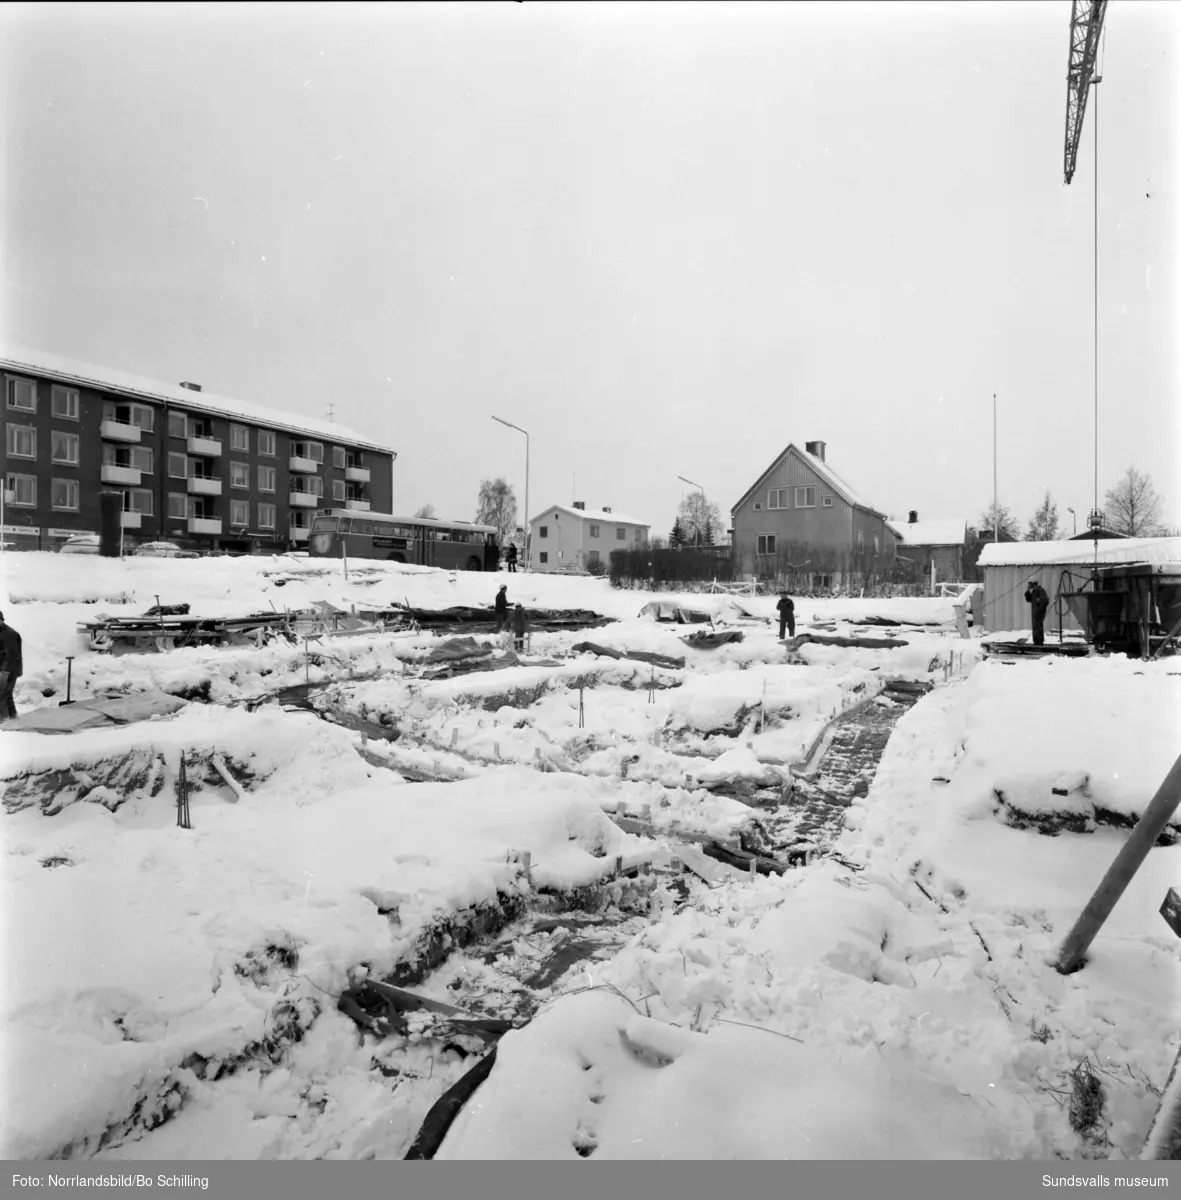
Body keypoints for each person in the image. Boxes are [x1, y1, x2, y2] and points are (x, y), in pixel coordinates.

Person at [0, 610, 23, 722]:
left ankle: (5, 721)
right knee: (6, 695)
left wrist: (4, 673)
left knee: (2, 695)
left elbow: (12, 655)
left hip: (9, 670)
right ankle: (12, 718)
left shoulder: (9, 634)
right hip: (3, 669)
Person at [1024, 577, 1050, 646]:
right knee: (1035, 626)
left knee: (1038, 626)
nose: (1029, 585)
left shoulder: (1040, 590)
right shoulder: (1034, 591)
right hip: (1035, 612)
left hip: (1039, 612)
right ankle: (1036, 642)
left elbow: (1045, 601)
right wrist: (1027, 591)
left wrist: (1039, 610)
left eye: (1030, 583)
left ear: (1033, 583)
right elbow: (1028, 599)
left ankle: (1038, 642)